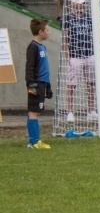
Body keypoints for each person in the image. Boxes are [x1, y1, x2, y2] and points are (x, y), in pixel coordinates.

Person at [62, 0, 97, 123]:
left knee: (91, 83)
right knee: (72, 84)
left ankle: (90, 110)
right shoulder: (68, 19)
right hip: (75, 55)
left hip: (89, 54)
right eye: (81, 3)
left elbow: (93, 36)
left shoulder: (88, 18)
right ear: (74, 5)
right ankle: (70, 111)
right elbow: (65, 39)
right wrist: (68, 57)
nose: (83, 6)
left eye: (84, 3)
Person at [25, 19, 52, 149]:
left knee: (35, 111)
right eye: (47, 30)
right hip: (36, 84)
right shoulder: (33, 47)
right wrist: (31, 84)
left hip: (42, 84)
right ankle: (34, 142)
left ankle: (33, 141)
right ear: (40, 32)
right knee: (33, 112)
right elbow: (29, 67)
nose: (49, 32)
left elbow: (44, 68)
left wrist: (48, 85)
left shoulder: (43, 47)